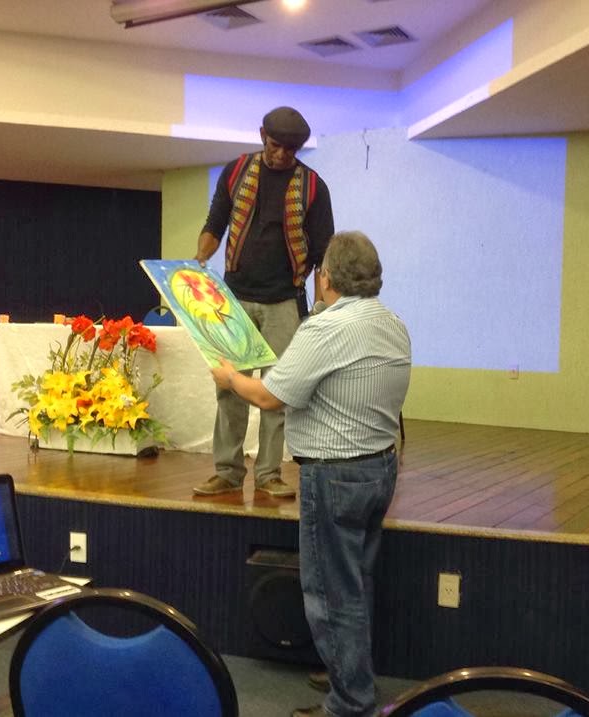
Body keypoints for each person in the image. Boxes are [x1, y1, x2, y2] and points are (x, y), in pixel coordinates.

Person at [210, 231, 411, 717]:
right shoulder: (393, 322)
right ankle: (349, 671)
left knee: (330, 594)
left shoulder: (324, 330)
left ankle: (350, 702)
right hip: (381, 469)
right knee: (356, 582)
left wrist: (230, 378)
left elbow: (269, 397)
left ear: (326, 277)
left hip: (334, 477)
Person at [193, 106, 335, 499]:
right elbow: (215, 224)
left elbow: (323, 254)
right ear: (261, 136)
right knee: (229, 389)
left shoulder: (313, 187)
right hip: (234, 299)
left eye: (291, 149)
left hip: (285, 301)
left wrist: (322, 309)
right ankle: (227, 471)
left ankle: (270, 474)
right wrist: (197, 261)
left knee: (277, 391)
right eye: (275, 145)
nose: (282, 154)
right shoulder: (236, 171)